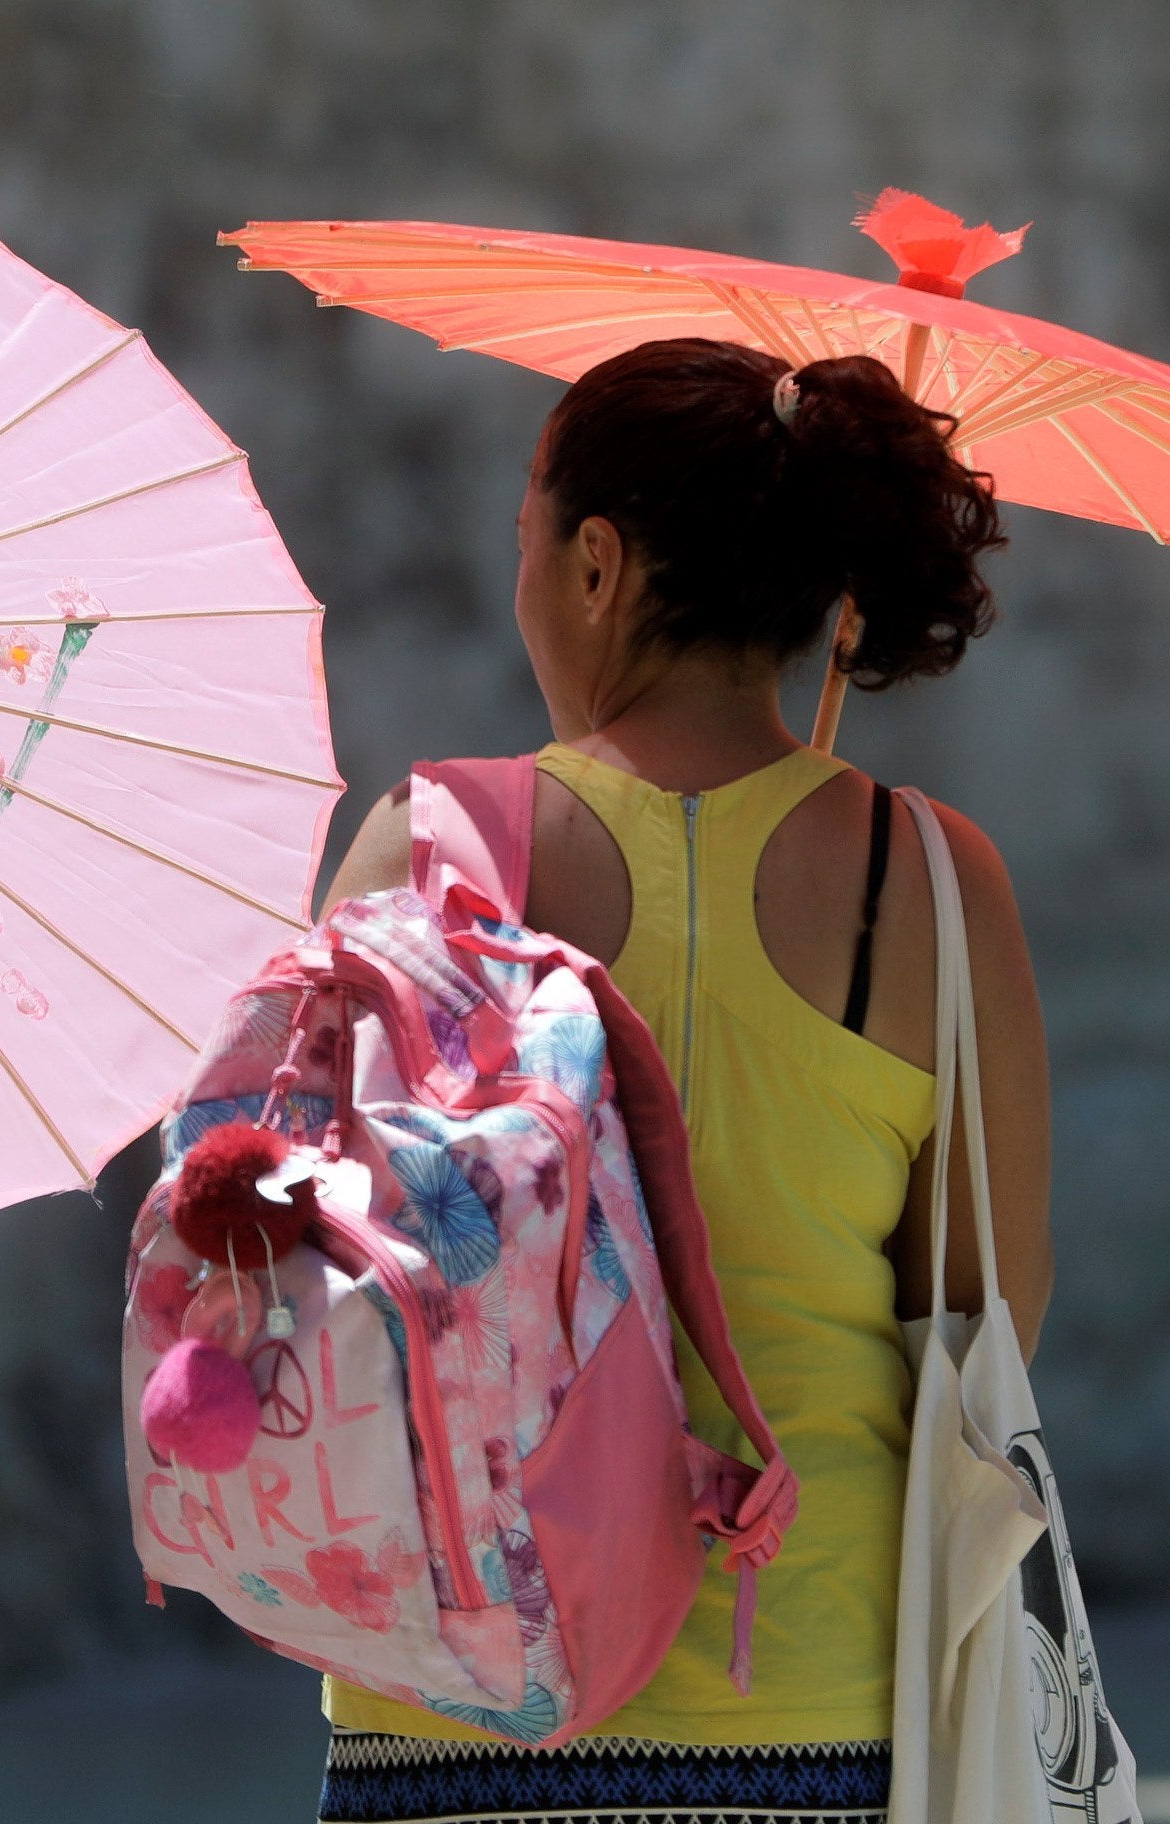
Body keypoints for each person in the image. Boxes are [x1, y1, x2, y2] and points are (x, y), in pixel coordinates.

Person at [309, 338, 1054, 1824]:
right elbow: (986, 1319)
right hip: (811, 1696)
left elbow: (314, 1258)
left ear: (596, 562)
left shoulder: (433, 847)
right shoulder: (931, 883)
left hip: (459, 1691)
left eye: (526, 540)